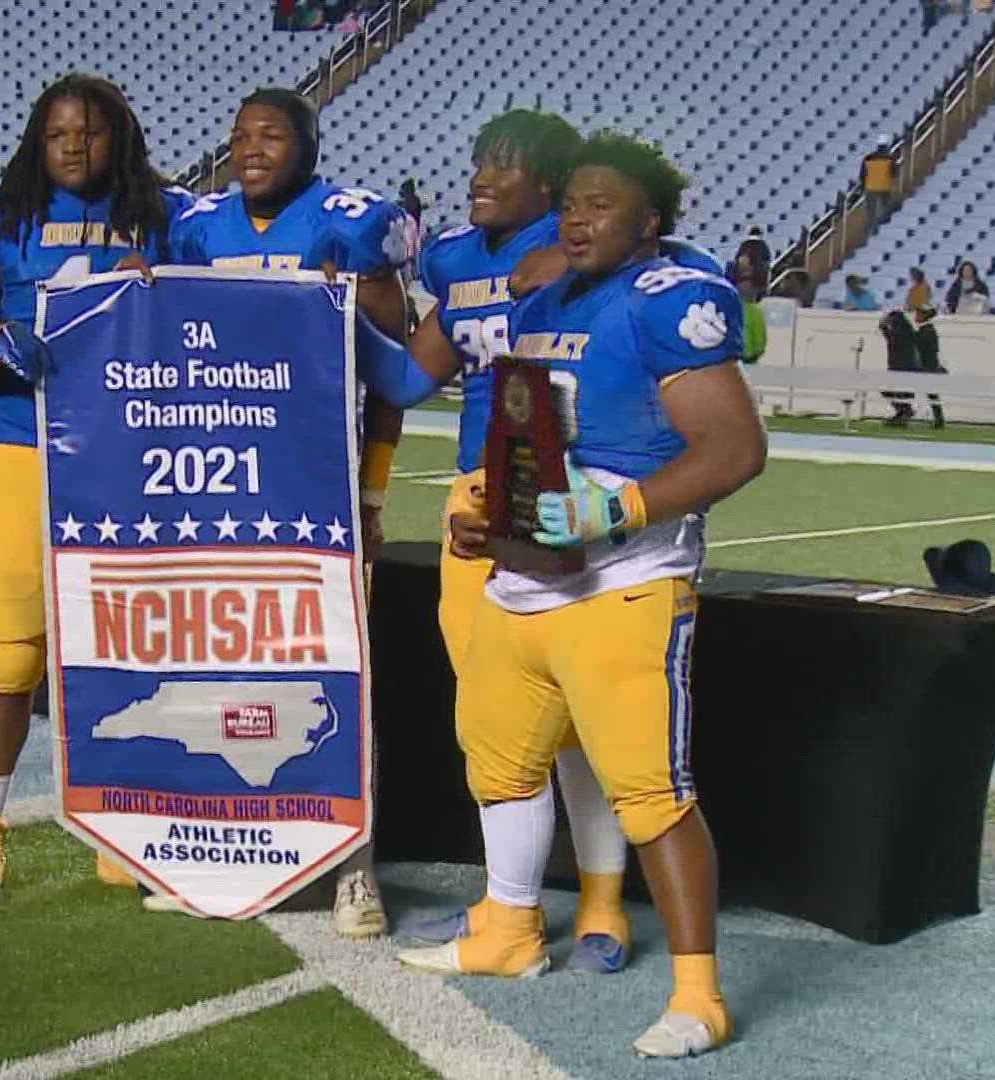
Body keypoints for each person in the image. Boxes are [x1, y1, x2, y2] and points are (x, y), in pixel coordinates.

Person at [374, 133, 765, 1057]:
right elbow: (521, 439)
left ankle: (698, 994)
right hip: (524, 577)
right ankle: (509, 931)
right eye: (575, 205)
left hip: (626, 580)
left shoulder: (670, 297)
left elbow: (736, 451)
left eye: (603, 206)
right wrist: (482, 512)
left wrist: (619, 506)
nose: (582, 220)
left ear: (650, 224)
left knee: (652, 793)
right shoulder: (545, 298)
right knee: (500, 762)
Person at [327, 110, 638, 971]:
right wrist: (339, 310)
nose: (481, 176)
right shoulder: (460, 260)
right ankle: (514, 908)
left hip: (564, 490)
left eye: (506, 165)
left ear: (551, 186)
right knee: (503, 723)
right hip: (477, 499)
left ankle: (606, 902)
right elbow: (404, 376)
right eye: (478, 161)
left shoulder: (580, 242)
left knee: (574, 718)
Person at [0, 73, 189, 908]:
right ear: (37, 141)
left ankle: (119, 826)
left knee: (117, 655)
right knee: (11, 656)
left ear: (123, 137)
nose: (74, 147)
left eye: (92, 132)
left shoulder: (166, 212)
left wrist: (171, 293)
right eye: (58, 133)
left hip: (125, 455)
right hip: (20, 450)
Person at [162, 86, 411, 936]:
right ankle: (239, 849)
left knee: (339, 674)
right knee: (224, 666)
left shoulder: (348, 222)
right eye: (238, 137)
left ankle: (354, 868)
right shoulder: (199, 227)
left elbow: (392, 382)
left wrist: (373, 492)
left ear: (309, 143)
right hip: (224, 486)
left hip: (319, 485)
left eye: (270, 135)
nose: (250, 149)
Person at [862, 136, 896, 230]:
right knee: (884, 210)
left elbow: (863, 175)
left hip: (870, 188)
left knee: (871, 212)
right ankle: (882, 228)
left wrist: (864, 186)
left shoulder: (868, 158)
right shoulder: (890, 158)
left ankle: (871, 229)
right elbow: (893, 172)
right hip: (884, 187)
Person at [733, 224, 769, 297]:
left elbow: (737, 260)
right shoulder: (762, 245)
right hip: (756, 279)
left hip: (741, 279)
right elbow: (766, 261)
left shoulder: (744, 245)